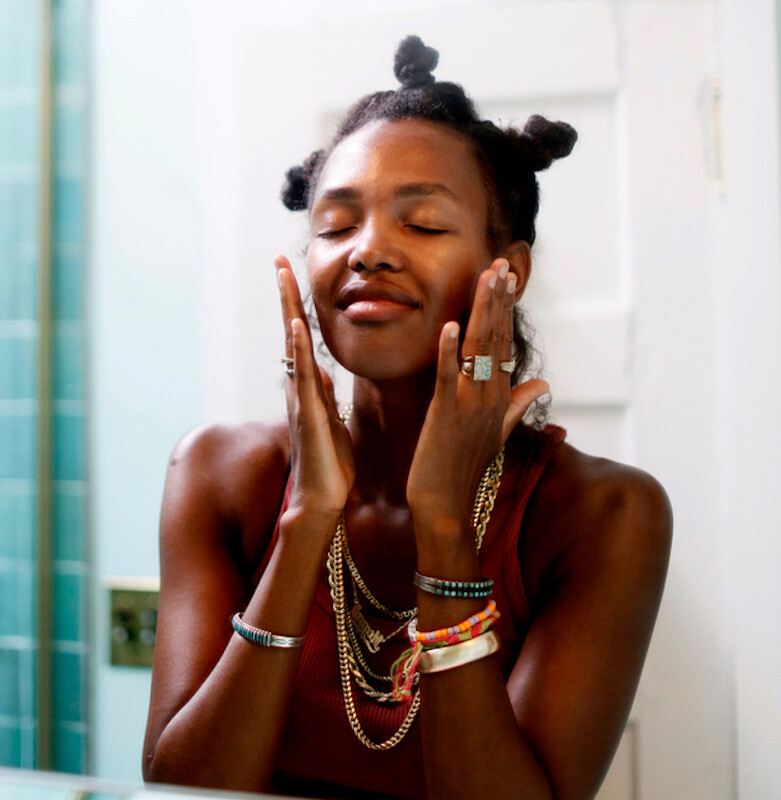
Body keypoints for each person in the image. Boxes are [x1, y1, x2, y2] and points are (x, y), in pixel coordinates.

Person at [142, 36, 672, 800]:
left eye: (421, 225)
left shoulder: (604, 514)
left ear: (508, 272)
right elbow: (182, 789)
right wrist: (306, 521)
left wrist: (444, 529)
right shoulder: (219, 475)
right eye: (335, 226)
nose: (368, 252)